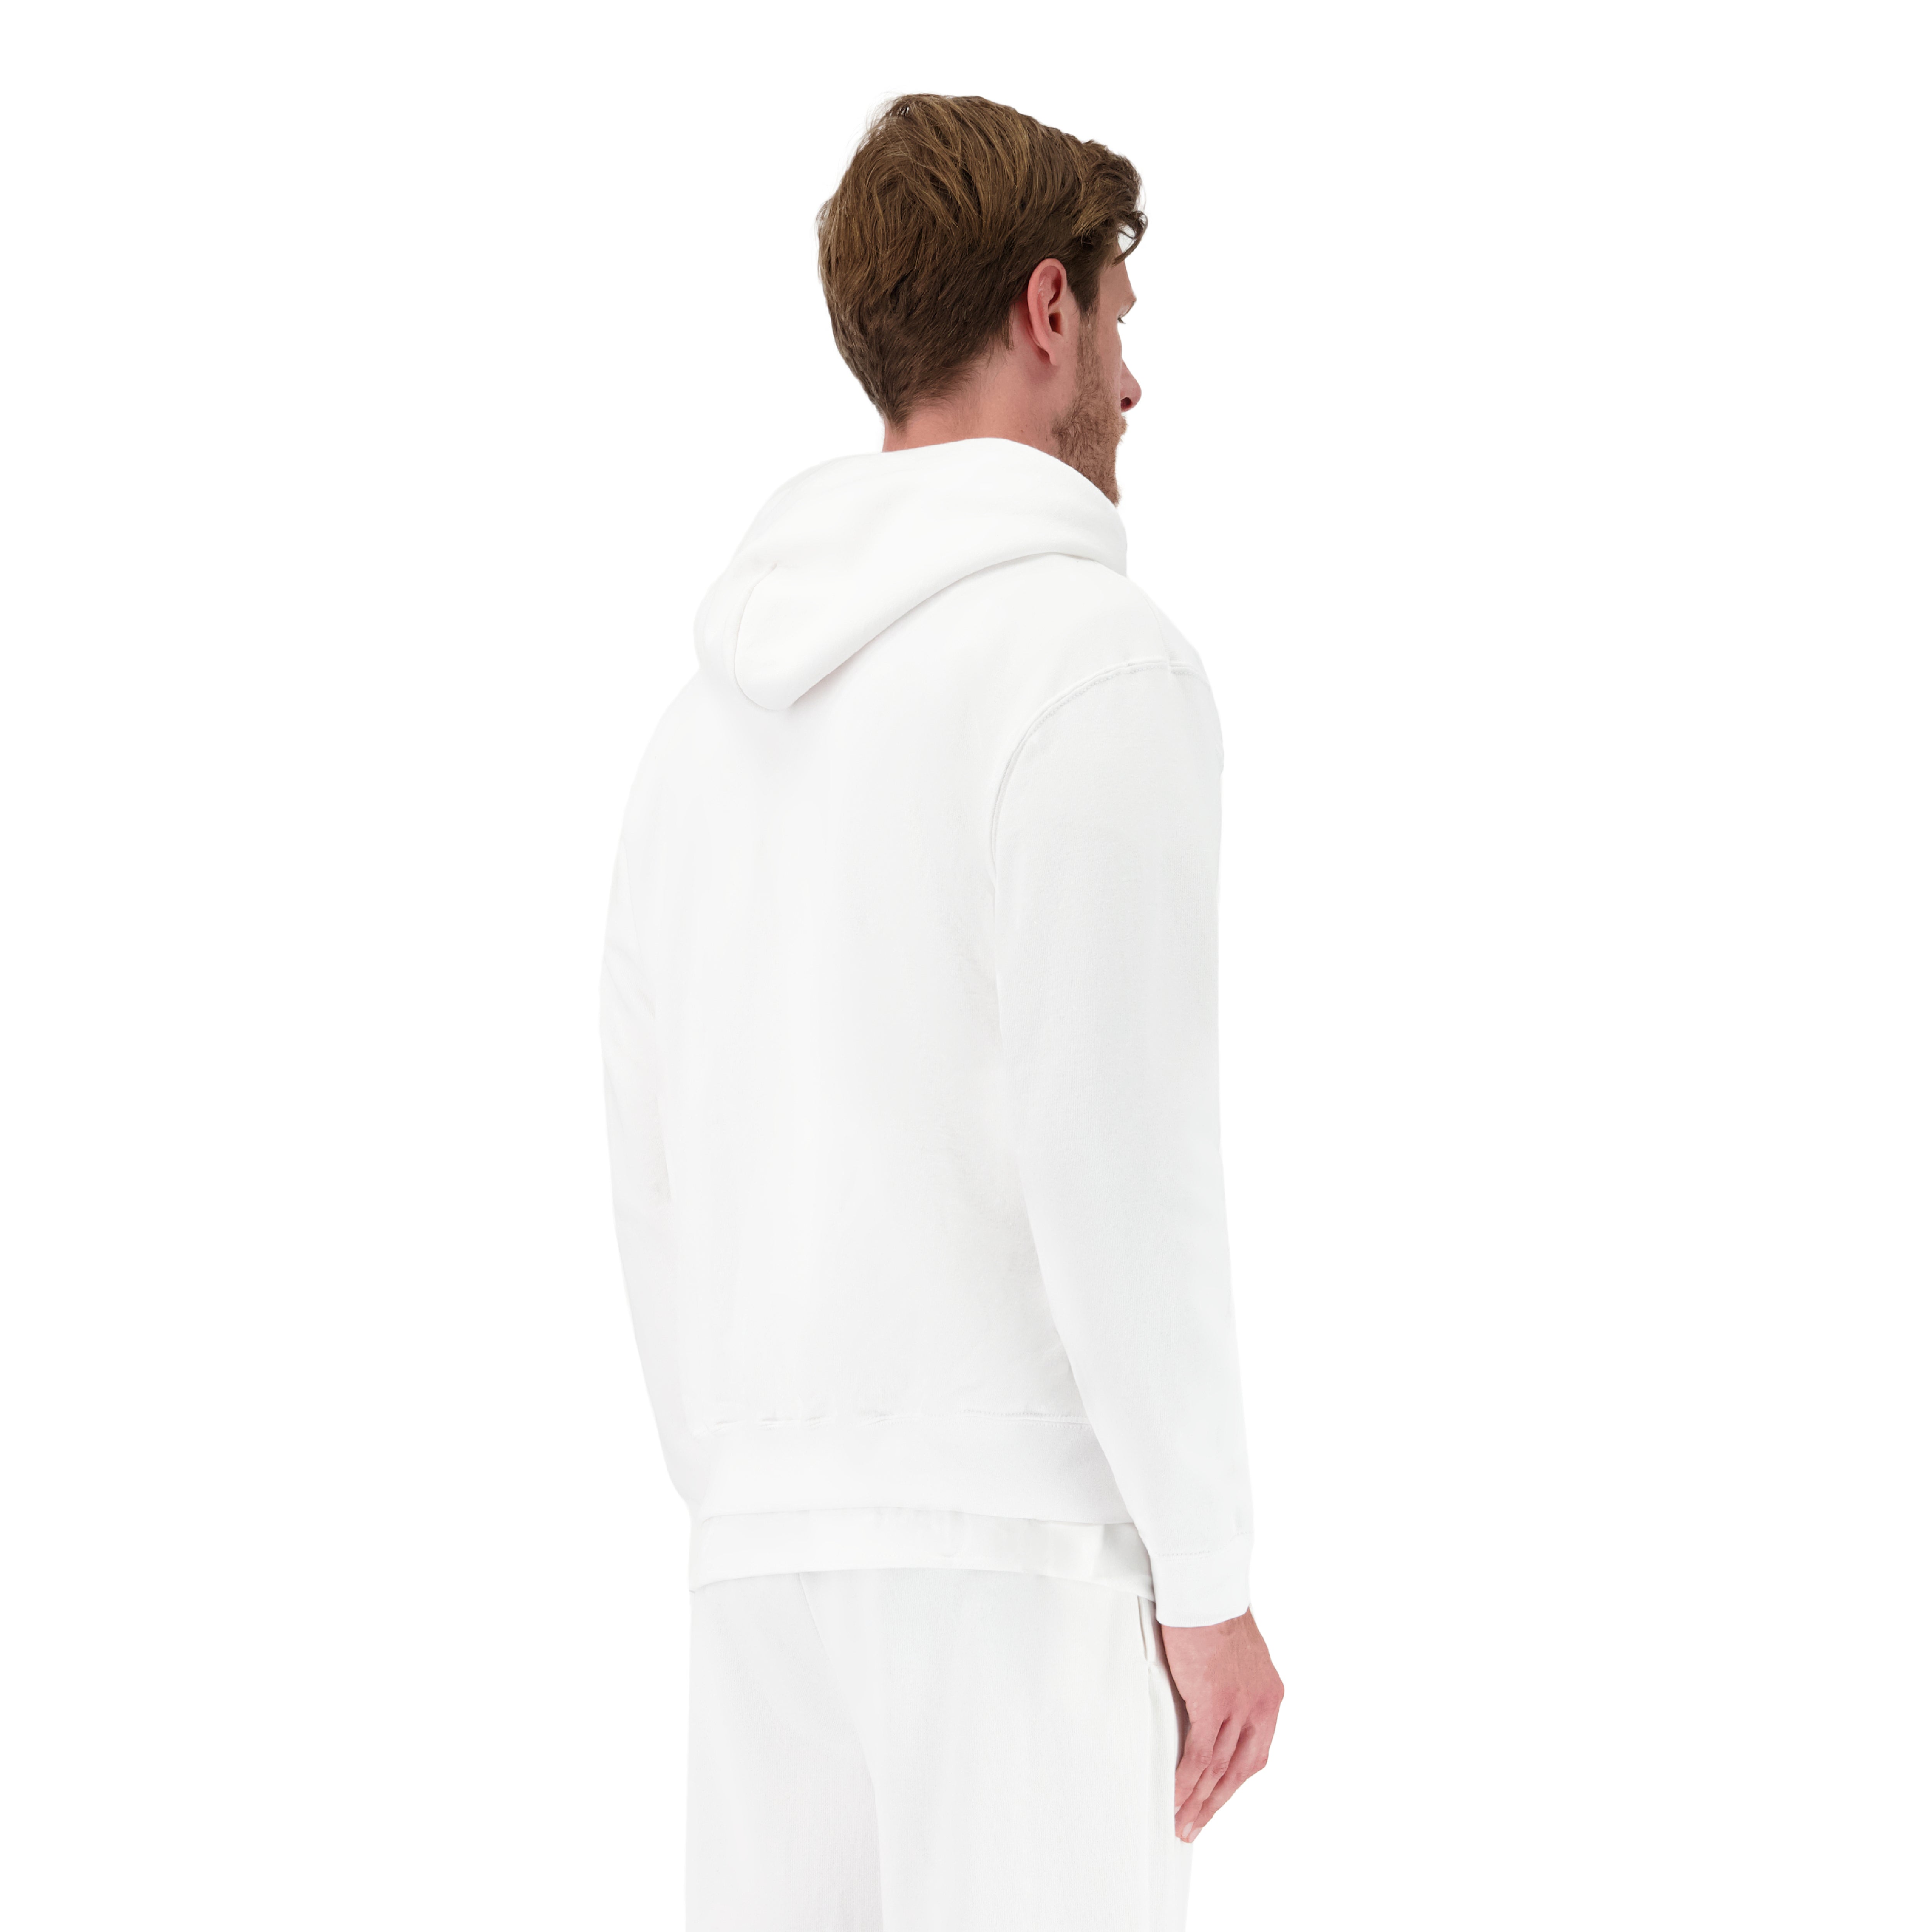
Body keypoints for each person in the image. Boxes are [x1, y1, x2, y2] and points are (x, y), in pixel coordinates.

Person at [600, 92, 1282, 1930]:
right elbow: (1122, 1160)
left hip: (763, 1556)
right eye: (1118, 323)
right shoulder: (1088, 662)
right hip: (1023, 1566)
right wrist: (1206, 1578)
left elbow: (652, 1172)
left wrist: (754, 1481)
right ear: (1045, 307)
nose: (1130, 383)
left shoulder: (695, 733)